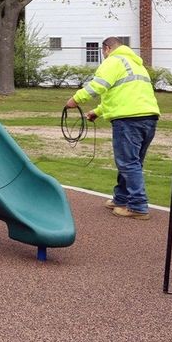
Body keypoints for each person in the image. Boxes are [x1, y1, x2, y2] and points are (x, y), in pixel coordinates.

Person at [65, 36, 161, 220]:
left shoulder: (113, 61)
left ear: (107, 49)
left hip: (128, 120)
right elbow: (123, 94)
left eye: (103, 52)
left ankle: (138, 206)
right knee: (133, 161)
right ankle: (121, 198)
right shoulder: (136, 64)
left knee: (128, 163)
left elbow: (98, 86)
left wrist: (75, 100)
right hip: (149, 118)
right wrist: (98, 111)